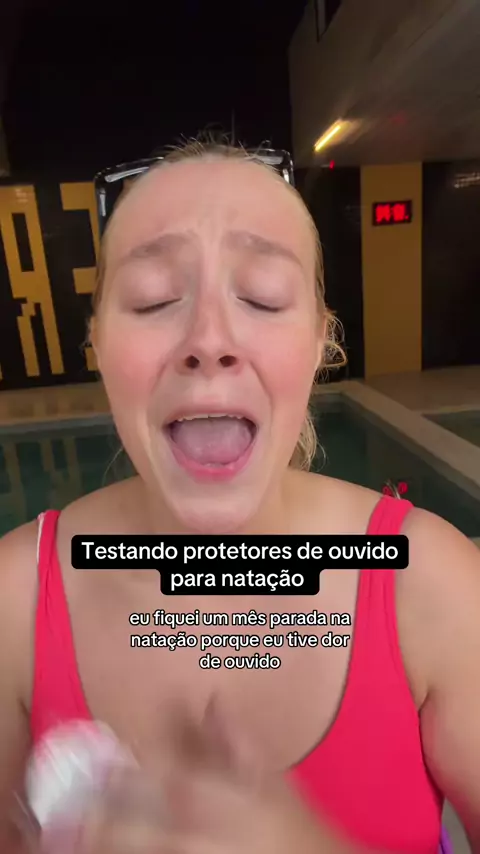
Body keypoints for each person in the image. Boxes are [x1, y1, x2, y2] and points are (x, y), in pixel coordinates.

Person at [0, 140, 479, 854]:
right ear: (97, 345)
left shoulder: (432, 584)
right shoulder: (13, 602)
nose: (209, 338)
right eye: (153, 299)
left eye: (262, 297)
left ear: (319, 343)